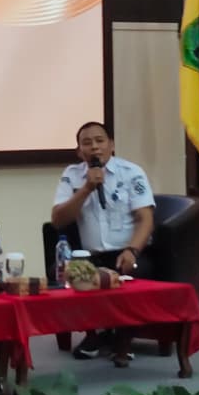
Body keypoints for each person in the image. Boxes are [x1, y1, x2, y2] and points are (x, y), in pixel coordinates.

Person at [51, 121, 156, 367]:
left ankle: (123, 341)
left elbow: (146, 218)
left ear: (112, 145)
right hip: (90, 255)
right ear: (79, 151)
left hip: (126, 252)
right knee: (74, 275)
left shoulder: (131, 172)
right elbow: (58, 219)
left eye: (100, 141)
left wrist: (132, 250)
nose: (94, 147)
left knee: (132, 275)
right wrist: (87, 188)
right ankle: (94, 336)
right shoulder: (72, 175)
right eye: (87, 143)